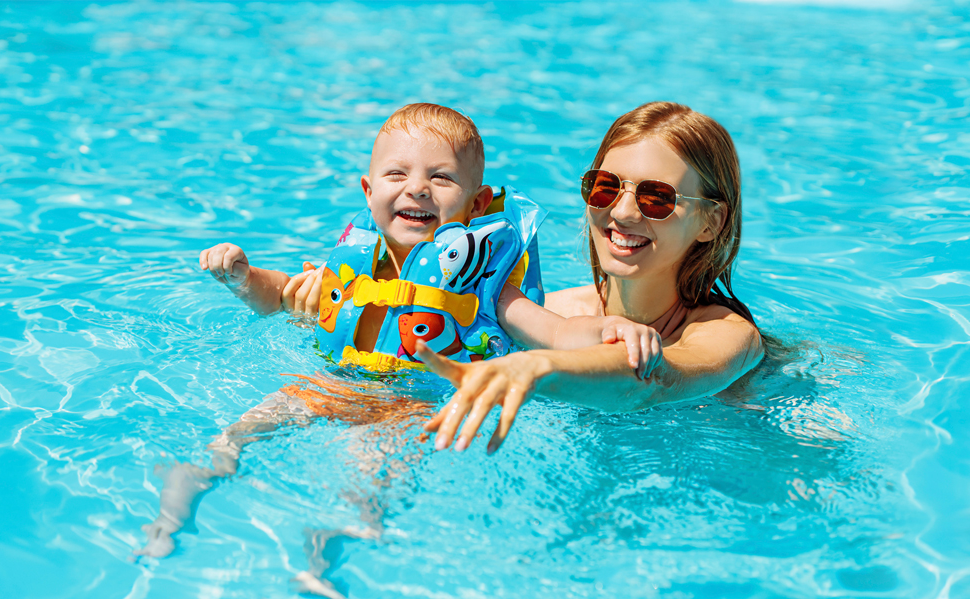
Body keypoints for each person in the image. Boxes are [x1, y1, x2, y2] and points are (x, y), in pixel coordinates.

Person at [137, 104, 654, 560]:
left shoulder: (483, 286)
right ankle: (189, 488)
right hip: (331, 385)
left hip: (408, 407)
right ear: (369, 190)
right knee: (239, 434)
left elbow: (556, 335)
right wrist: (243, 278)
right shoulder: (357, 263)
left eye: (442, 178)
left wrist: (612, 329)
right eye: (396, 174)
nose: (416, 188)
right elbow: (276, 296)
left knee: (369, 484)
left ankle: (326, 554)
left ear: (476, 205)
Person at [418, 101, 766, 454]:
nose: (622, 211)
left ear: (711, 222)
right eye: (605, 187)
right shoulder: (549, 314)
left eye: (657, 197)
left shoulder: (728, 335)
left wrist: (536, 366)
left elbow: (654, 380)